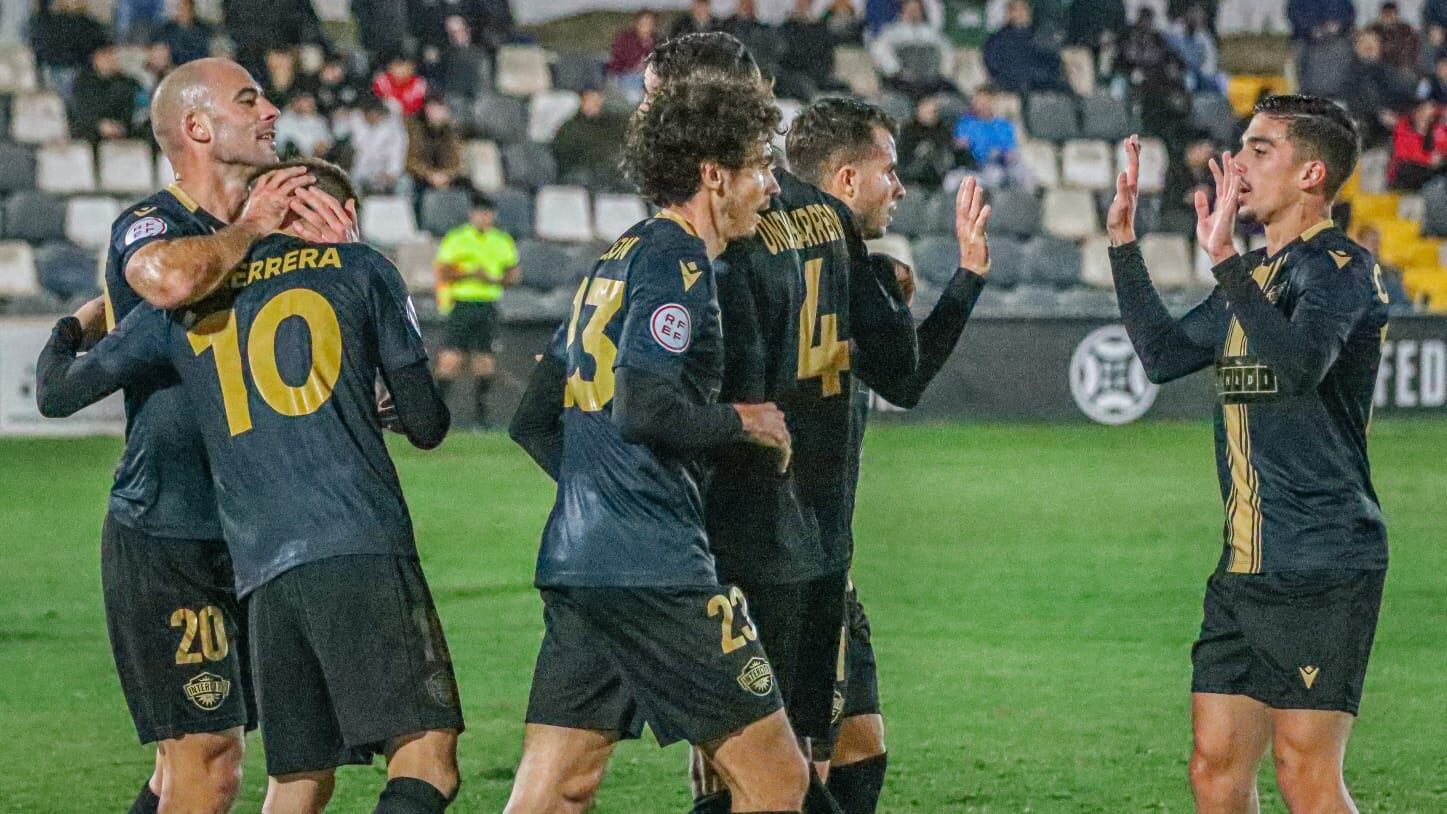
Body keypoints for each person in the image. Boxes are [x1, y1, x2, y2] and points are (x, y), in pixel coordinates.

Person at [35, 158, 463, 814]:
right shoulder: (363, 269)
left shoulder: (185, 306)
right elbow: (427, 423)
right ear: (332, 213)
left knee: (298, 779)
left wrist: (79, 323)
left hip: (259, 570)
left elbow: (58, 391)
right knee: (426, 759)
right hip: (356, 541)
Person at [35, 56, 347, 814]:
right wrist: (248, 229)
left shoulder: (265, 235)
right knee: (209, 765)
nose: (272, 110)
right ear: (199, 127)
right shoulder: (155, 223)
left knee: (295, 762)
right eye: (251, 99)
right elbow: (168, 280)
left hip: (268, 535)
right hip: (172, 534)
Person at [503, 76, 808, 814]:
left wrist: (601, 492)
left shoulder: (613, 261)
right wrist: (746, 420)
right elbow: (646, 407)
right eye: (759, 166)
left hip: (579, 563)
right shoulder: (677, 263)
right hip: (656, 571)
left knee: (556, 789)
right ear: (714, 176)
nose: (770, 186)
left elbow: (532, 421)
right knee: (778, 781)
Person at [633, 35, 918, 814]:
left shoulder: (709, 236)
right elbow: (904, 371)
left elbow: (696, 397)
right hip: (825, 521)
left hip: (738, 527)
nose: (647, 115)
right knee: (821, 751)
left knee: (748, 768)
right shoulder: (821, 216)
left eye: (657, 98)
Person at [1106, 96, 1390, 814]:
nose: (1236, 163)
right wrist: (1122, 246)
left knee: (1304, 773)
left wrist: (1227, 260)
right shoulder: (1254, 277)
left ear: (1310, 174)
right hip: (1244, 563)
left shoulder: (1339, 268)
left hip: (1321, 561)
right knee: (1214, 768)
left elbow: (1298, 365)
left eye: (1259, 150)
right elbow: (1164, 356)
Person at [786, 97, 993, 814]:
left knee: (856, 745)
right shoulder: (839, 264)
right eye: (889, 171)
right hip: (791, 553)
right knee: (787, 769)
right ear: (845, 180)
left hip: (811, 549)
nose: (899, 189)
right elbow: (905, 379)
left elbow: (900, 377)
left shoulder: (799, 259)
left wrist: (964, 277)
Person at [433, 193, 520, 429]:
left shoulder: (502, 240)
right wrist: (472, 274)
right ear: (472, 214)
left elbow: (512, 275)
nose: (484, 218)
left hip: (487, 305)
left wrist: (496, 279)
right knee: (450, 360)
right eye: (480, 213)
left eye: (488, 213)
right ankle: (436, 417)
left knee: (485, 362)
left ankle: (481, 420)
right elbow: (443, 271)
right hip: (462, 303)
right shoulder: (457, 238)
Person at [869, 0, 957, 98]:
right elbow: (879, 48)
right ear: (903, 10)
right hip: (902, 81)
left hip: (930, 82)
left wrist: (944, 73)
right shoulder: (891, 31)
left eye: (917, 9)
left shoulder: (931, 33)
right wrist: (895, 70)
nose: (913, 12)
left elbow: (947, 51)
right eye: (910, 9)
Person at [982, 0, 1068, 94]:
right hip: (1009, 87)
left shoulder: (1041, 36)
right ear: (1009, 14)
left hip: (1042, 86)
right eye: (1016, 10)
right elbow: (992, 63)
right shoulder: (997, 39)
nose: (1021, 13)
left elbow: (1053, 61)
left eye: (1023, 9)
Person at [551, 87, 629, 188]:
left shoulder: (615, 122)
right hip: (585, 174)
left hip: (612, 171)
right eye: (590, 98)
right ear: (582, 101)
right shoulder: (570, 128)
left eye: (598, 98)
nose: (595, 103)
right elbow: (564, 157)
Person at [70, 42, 144, 142]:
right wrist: (99, 125)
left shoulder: (126, 82)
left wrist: (119, 126)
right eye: (107, 55)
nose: (112, 59)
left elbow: (130, 107)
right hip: (92, 130)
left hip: (121, 129)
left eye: (113, 54)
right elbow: (82, 111)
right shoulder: (83, 82)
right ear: (96, 59)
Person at [340, 99, 408, 193]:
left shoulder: (394, 129)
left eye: (375, 115)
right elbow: (339, 132)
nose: (372, 117)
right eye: (369, 115)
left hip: (385, 171)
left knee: (404, 184)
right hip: (360, 172)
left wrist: (391, 173)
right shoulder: (356, 121)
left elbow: (397, 154)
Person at [1387, 100, 1447, 190]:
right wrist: (1429, 159)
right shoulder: (1403, 134)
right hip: (1406, 176)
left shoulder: (1435, 122)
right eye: (1422, 117)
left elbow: (1435, 109)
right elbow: (1428, 158)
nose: (1425, 120)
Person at [606, 10, 659, 100]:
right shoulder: (625, 38)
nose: (646, 26)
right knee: (634, 97)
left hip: (648, 77)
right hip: (626, 75)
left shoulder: (657, 41)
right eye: (642, 23)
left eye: (649, 23)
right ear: (636, 24)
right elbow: (617, 62)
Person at [274, 90, 334, 158]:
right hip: (287, 159)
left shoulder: (320, 122)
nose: (304, 104)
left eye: (308, 102)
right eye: (301, 101)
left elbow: (325, 145)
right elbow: (278, 143)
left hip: (312, 159)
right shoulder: (283, 119)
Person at [152, 0, 212, 65]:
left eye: (186, 8)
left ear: (192, 10)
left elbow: (206, 52)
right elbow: (156, 49)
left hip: (198, 67)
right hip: (172, 69)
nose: (183, 11)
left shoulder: (203, 29)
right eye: (180, 8)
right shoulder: (167, 29)